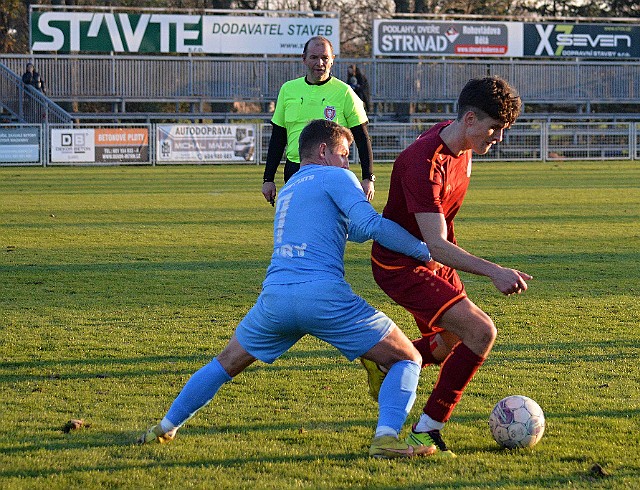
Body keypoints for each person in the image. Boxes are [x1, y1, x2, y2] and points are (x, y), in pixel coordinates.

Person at [138, 119, 436, 459]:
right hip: (324, 297)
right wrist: (425, 251)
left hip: (275, 299)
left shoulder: (291, 187)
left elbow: (350, 230)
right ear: (324, 151)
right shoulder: (336, 176)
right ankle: (385, 438)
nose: (347, 163)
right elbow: (369, 224)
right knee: (408, 357)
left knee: (224, 363)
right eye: (344, 154)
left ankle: (164, 427)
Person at [362, 76, 532, 457]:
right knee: (481, 330)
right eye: (494, 129)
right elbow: (436, 244)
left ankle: (386, 365)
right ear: (470, 119)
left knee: (447, 344)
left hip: (433, 258)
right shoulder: (424, 162)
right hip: (400, 265)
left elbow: (440, 242)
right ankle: (427, 431)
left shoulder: (463, 145)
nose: (498, 138)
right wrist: (494, 270)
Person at [262, 36, 376, 205]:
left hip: (332, 172)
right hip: (295, 170)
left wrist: (368, 177)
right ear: (304, 59)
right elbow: (278, 137)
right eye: (314, 57)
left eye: (325, 57)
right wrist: (268, 178)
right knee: (300, 222)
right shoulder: (288, 90)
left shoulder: (345, 92)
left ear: (332, 60)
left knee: (331, 223)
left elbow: (362, 137)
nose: (320, 63)